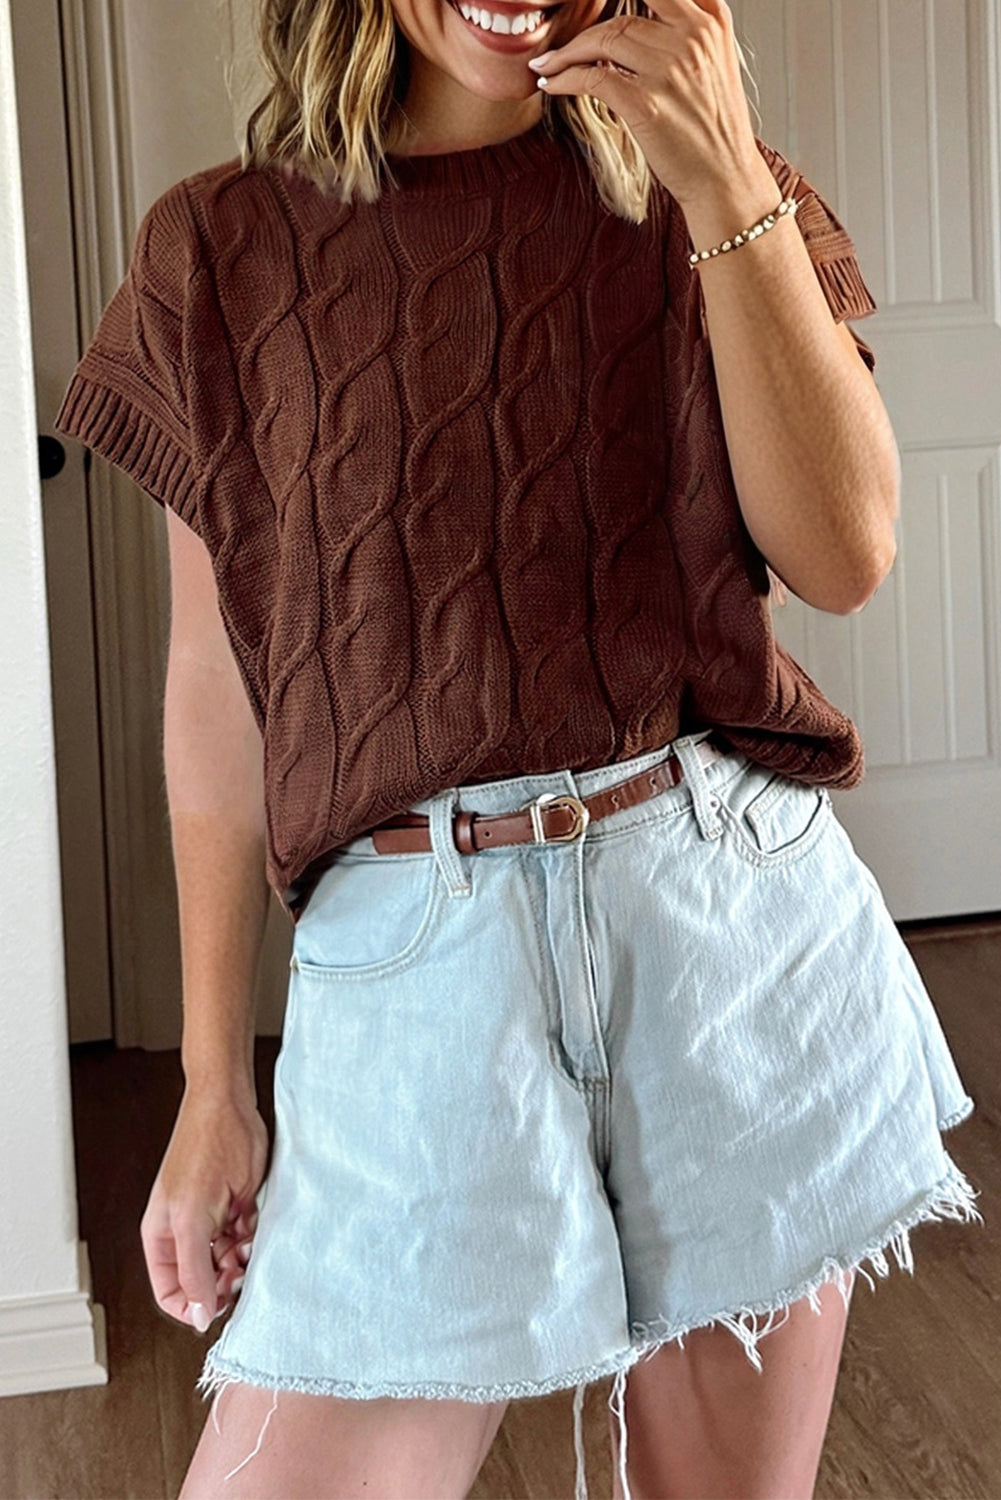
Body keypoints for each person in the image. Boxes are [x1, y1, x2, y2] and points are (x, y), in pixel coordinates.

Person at [53, 0, 983, 1496]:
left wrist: (724, 184)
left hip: (726, 938)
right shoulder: (218, 251)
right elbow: (221, 684)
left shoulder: (718, 195)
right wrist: (212, 1078)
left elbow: (844, 553)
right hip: (414, 979)